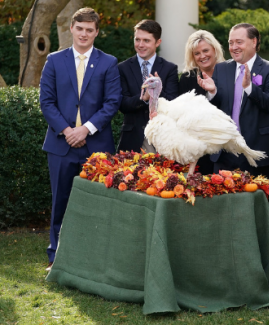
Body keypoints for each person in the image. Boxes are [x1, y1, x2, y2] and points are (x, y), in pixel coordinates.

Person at [39, 7, 122, 271]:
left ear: (96, 32)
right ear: (72, 29)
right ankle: (56, 257)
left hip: (96, 145)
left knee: (98, 203)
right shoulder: (54, 60)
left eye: (90, 30)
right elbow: (47, 102)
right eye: (80, 28)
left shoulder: (108, 62)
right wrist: (67, 131)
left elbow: (112, 102)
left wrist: (85, 129)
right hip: (60, 144)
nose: (84, 34)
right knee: (60, 201)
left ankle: (95, 258)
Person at [197, 23, 269, 179]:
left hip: (255, 151)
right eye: (231, 43)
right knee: (223, 202)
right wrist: (212, 92)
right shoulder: (221, 68)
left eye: (239, 42)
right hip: (224, 152)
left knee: (254, 202)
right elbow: (213, 109)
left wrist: (250, 87)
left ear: (254, 42)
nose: (234, 47)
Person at [117, 19, 178, 153]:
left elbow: (174, 103)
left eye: (146, 40)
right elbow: (122, 104)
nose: (140, 44)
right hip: (132, 141)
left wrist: (157, 90)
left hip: (162, 140)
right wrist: (143, 98)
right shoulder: (123, 68)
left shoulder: (170, 69)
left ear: (158, 42)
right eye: (137, 39)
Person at [179, 30, 225, 174]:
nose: (202, 56)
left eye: (205, 50)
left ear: (215, 49)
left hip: (223, 144)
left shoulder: (228, 73)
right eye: (197, 53)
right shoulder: (187, 78)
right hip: (197, 147)